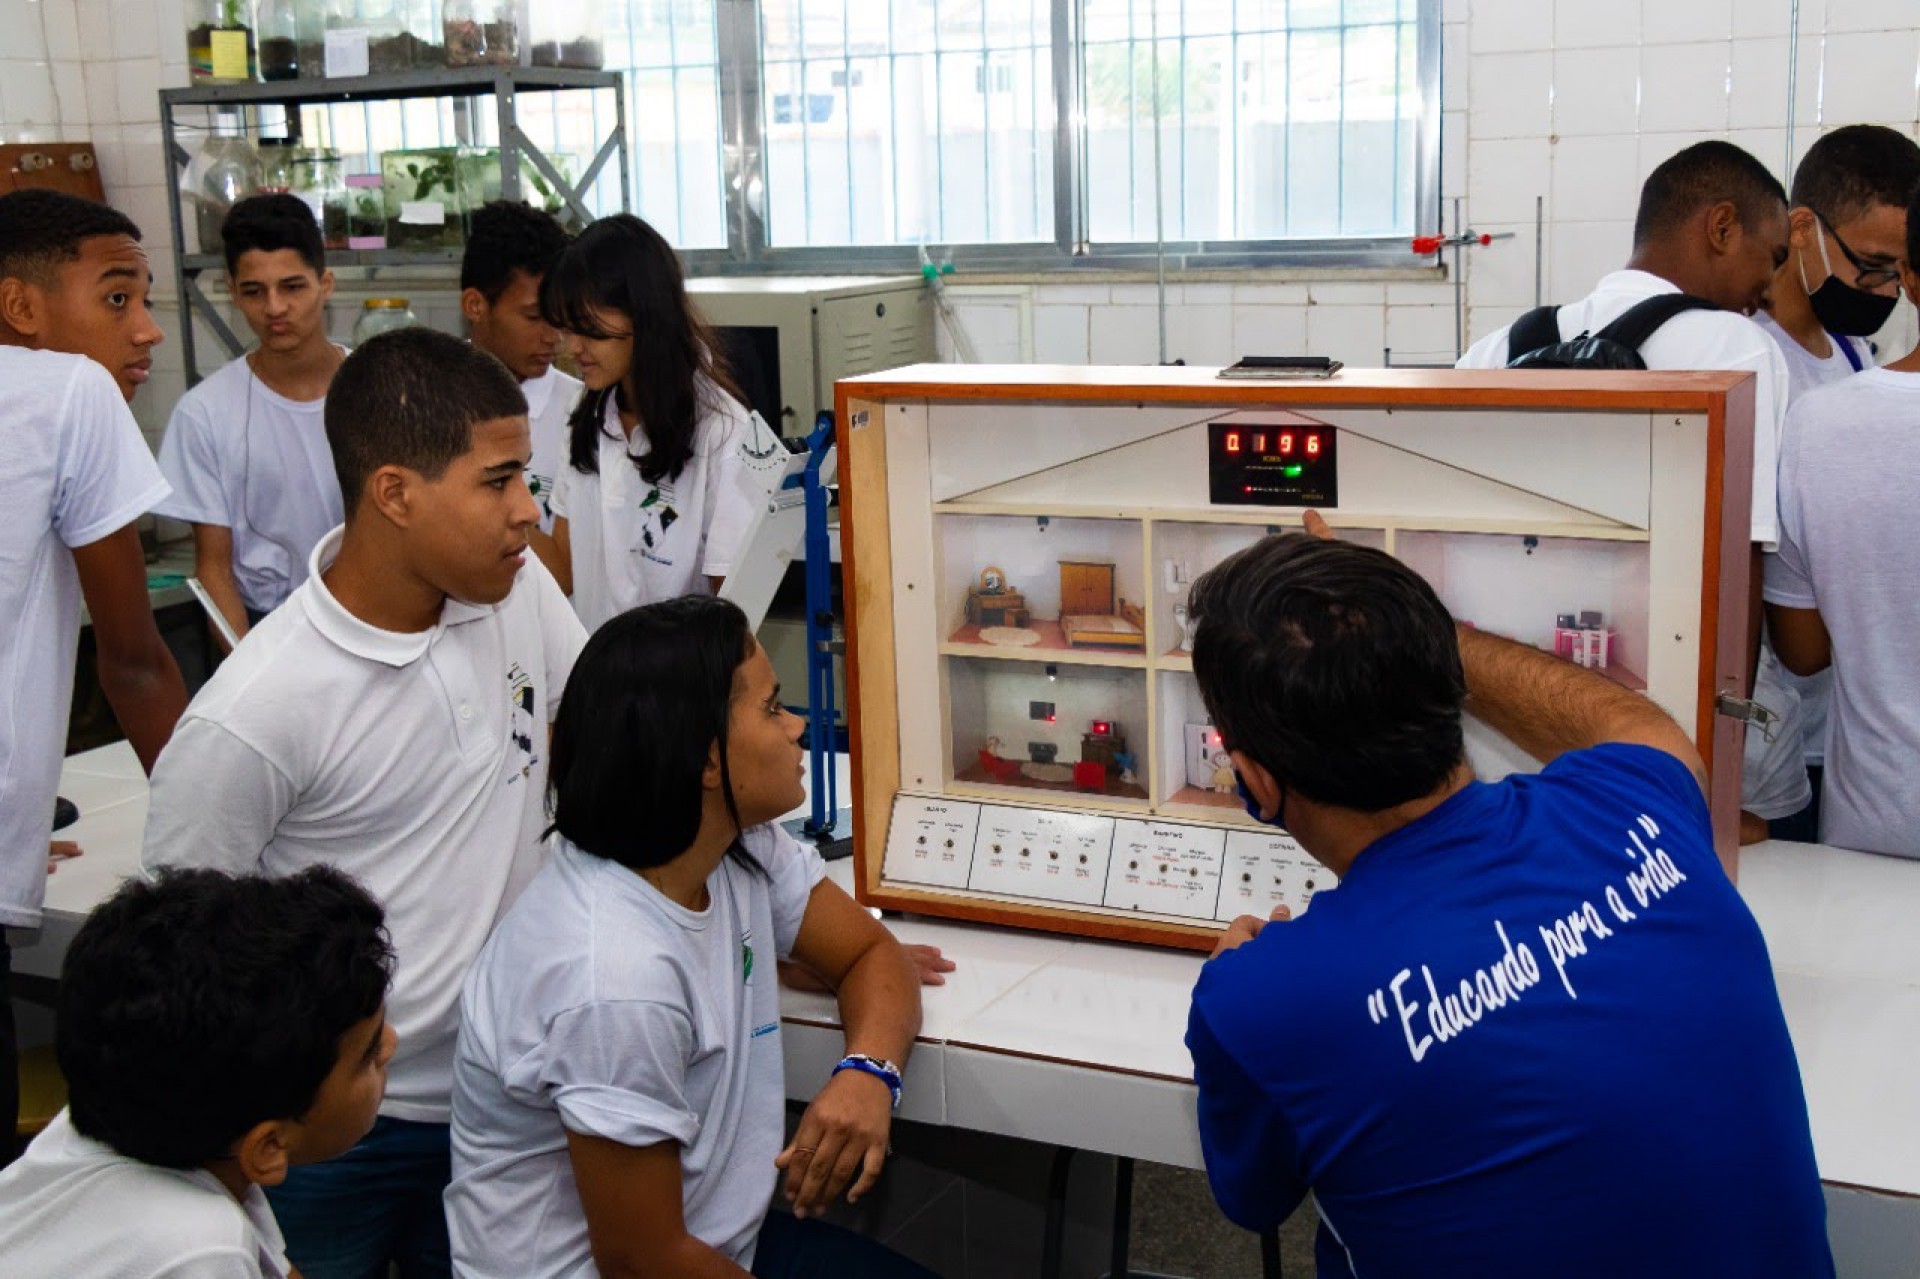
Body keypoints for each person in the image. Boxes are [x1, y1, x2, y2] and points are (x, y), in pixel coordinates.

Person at [1184, 515, 1831, 1279]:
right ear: (1440, 681)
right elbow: (1632, 720)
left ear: (1256, 778)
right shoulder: (1639, 805)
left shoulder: (1263, 999)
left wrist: (1233, 987)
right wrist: (1397, 625)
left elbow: (1254, 1202)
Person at [142, 327, 588, 1278]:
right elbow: (182, 957)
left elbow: (605, 745)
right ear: (394, 492)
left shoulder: (513, 596)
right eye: (499, 481)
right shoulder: (257, 714)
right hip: (336, 1136)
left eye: (529, 478)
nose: (528, 512)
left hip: (508, 1104)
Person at [447, 595, 931, 1278]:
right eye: (771, 707)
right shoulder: (612, 979)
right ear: (707, 761)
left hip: (725, 1243)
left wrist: (868, 1073)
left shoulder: (738, 844)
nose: (796, 726)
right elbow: (645, 1260)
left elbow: (871, 953)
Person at [0, 188, 187, 1150]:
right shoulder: (66, 392)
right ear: (22, 308)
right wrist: (216, 846)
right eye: (117, 298)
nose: (148, 329)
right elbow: (135, 664)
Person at [0, 865, 396, 1276]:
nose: (391, 1044)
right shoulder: (199, 1247)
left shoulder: (121, 1124)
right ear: (268, 1147)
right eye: (367, 1055)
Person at [1459, 140, 1790, 554]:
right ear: (1722, 227)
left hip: (1492, 615)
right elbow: (1741, 550)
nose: (1771, 287)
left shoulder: (1493, 352)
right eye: (1775, 258)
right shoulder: (1738, 350)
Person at [1743, 125, 1920, 843]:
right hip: (1791, 732)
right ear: (1803, 228)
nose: (1880, 289)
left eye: (1894, 271)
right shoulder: (1743, 358)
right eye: (1871, 266)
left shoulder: (1853, 362)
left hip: (1847, 732)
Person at [538, 213, 769, 631]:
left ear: (646, 317)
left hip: (676, 690)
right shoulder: (585, 413)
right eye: (567, 330)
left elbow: (733, 618)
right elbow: (565, 569)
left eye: (589, 330)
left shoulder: (724, 433)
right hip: (595, 676)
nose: (573, 348)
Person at [156, 192, 348, 648]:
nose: (275, 308)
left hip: (373, 618)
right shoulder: (205, 414)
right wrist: (246, 674)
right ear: (231, 292)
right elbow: (214, 568)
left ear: (326, 283)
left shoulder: (379, 391)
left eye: (293, 286)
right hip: (268, 628)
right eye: (254, 292)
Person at [460, 199, 577, 549]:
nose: (552, 335)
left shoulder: (582, 411)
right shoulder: (428, 404)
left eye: (558, 317)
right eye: (532, 316)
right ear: (475, 305)